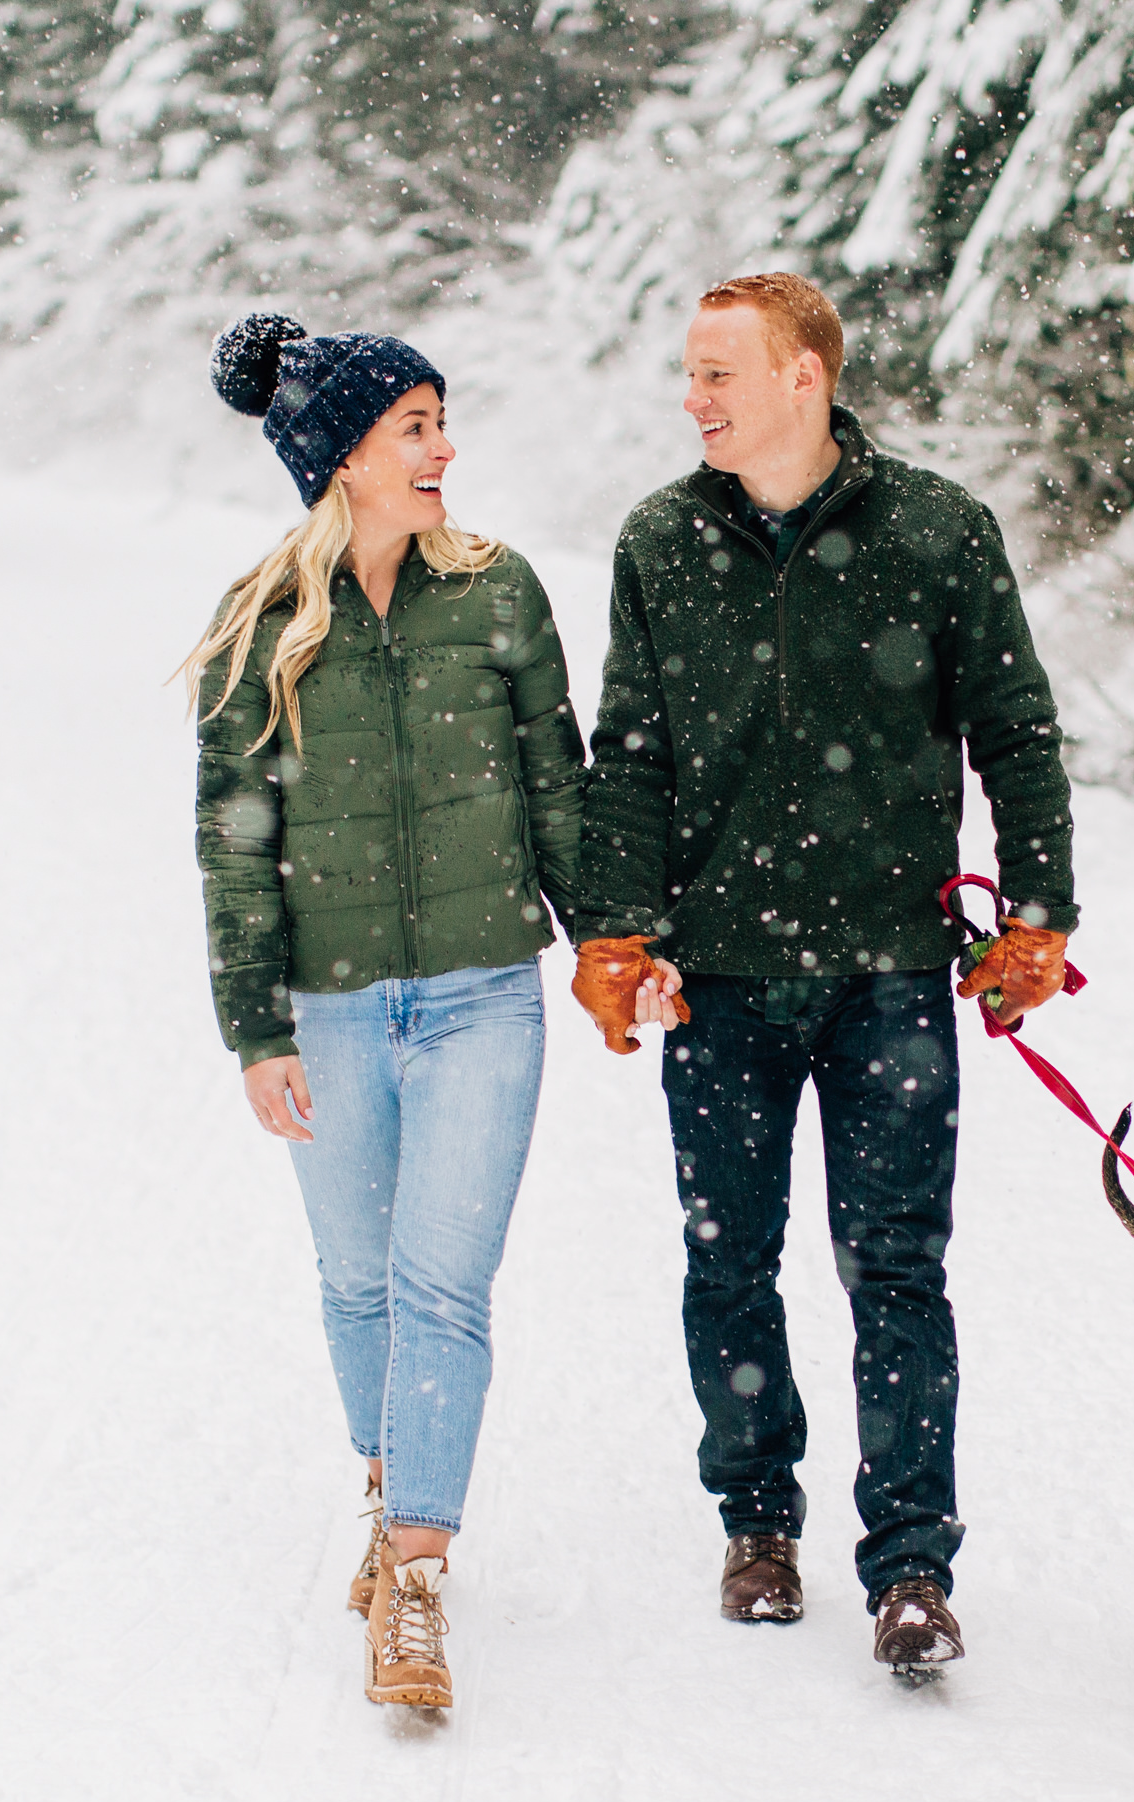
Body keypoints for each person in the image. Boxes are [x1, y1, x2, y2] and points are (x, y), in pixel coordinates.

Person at [567, 273, 1079, 1669]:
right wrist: (617, 929)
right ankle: (757, 1520)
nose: (696, 397)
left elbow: (1016, 733)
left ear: (807, 376)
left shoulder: (935, 532)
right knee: (730, 1259)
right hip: (719, 976)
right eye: (690, 373)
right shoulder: (662, 541)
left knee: (897, 1268)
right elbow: (634, 754)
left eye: (721, 372)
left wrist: (1038, 913)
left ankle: (912, 1562)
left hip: (890, 973)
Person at [181, 314, 585, 1710]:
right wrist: (258, 1029)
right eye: (415, 427)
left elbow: (559, 791)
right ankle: (390, 1479)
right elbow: (233, 841)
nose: (444, 450)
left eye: (440, 422)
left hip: (485, 994)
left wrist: (609, 952)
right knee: (357, 1285)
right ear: (343, 457)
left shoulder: (500, 593)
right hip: (331, 1009)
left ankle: (414, 1576)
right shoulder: (259, 626)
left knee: (440, 1289)